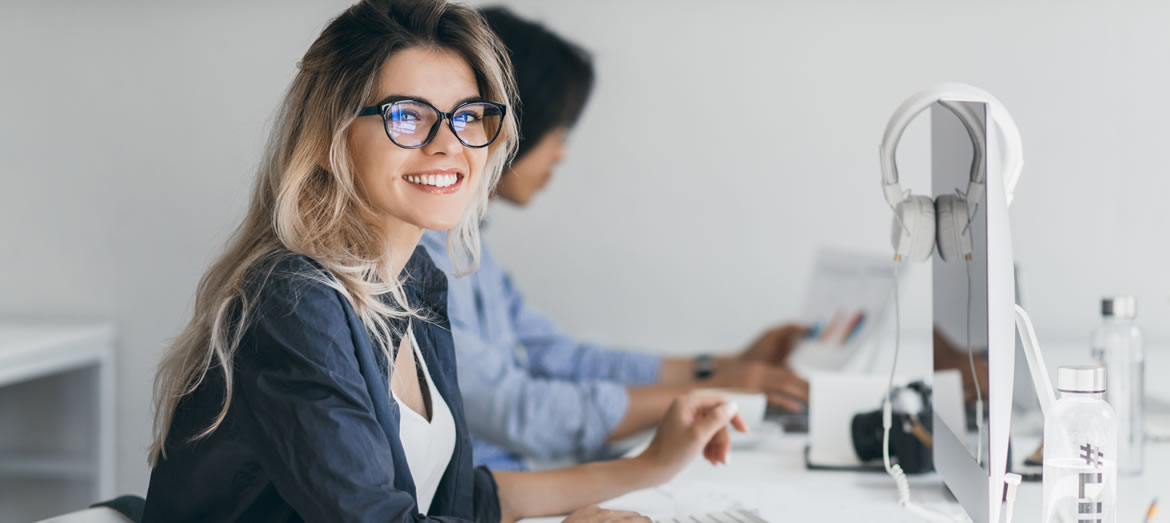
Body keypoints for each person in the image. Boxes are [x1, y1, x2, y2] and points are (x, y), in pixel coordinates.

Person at [142, 1, 745, 522]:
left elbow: (461, 502)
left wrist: (652, 465)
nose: (448, 144)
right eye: (408, 116)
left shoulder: (413, 282)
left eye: (467, 117)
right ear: (331, 135)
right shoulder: (294, 300)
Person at [419, 7, 809, 471]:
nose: (561, 153)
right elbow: (516, 409)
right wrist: (709, 393)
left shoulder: (470, 250)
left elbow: (558, 357)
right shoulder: (419, 259)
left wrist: (720, 368)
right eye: (558, 131)